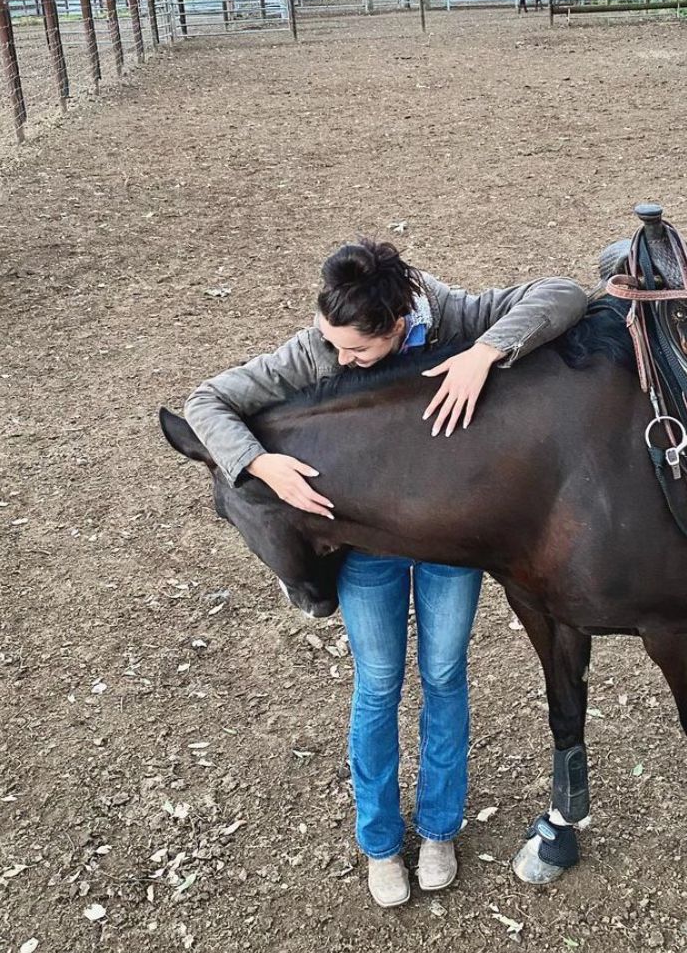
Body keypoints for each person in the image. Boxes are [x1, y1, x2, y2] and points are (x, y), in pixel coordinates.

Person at [185, 240, 587, 907]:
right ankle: (378, 841)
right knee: (378, 683)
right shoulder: (316, 349)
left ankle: (437, 830)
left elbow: (563, 293)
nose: (339, 359)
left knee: (444, 674)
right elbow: (207, 401)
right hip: (365, 549)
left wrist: (485, 353)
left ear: (400, 324)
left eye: (356, 352)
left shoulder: (452, 315)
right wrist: (259, 464)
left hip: (447, 544)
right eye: (332, 343)